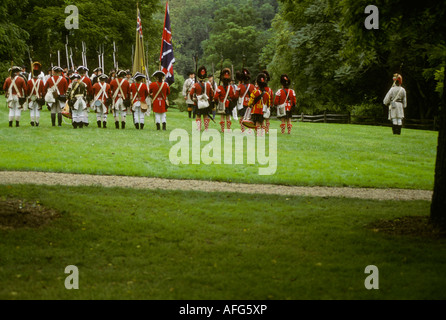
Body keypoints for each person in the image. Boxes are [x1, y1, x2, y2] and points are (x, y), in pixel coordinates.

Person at [190, 66, 214, 131]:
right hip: (206, 102)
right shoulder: (209, 85)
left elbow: (191, 93)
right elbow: (212, 94)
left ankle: (198, 128)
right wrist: (210, 101)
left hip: (198, 103)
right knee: (206, 115)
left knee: (198, 115)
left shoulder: (195, 85)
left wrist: (193, 99)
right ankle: (206, 128)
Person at [214, 68, 236, 132]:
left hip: (221, 103)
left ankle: (222, 129)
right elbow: (233, 96)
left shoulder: (219, 87)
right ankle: (228, 129)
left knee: (222, 117)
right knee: (228, 117)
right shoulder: (231, 87)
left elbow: (215, 97)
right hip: (228, 104)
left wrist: (216, 102)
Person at [235, 68, 254, 133]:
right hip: (250, 104)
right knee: (249, 117)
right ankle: (249, 130)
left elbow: (236, 96)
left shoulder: (240, 86)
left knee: (242, 117)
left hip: (242, 104)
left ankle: (242, 130)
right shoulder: (252, 86)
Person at [26, 62, 45, 127]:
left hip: (31, 98)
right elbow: (43, 91)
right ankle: (37, 122)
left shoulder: (29, 81)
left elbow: (27, 91)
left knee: (31, 110)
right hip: (38, 97)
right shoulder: (41, 81)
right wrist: (43, 97)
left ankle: (32, 121)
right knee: (37, 110)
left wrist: (28, 96)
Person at [262, 70, 273, 134]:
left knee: (262, 119)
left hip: (261, 105)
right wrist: (270, 105)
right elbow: (271, 97)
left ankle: (263, 129)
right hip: (267, 105)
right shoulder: (269, 90)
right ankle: (267, 130)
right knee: (267, 118)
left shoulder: (259, 89)